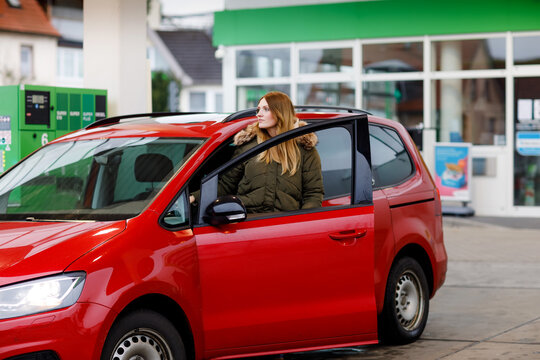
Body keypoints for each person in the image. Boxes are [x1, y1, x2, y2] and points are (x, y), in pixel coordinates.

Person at [193, 91, 324, 214]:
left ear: (281, 112)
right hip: (248, 223)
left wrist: (301, 223)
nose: (258, 114)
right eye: (258, 109)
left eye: (266, 109)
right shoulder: (248, 147)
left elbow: (313, 194)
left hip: (285, 226)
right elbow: (226, 185)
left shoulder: (304, 149)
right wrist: (194, 197)